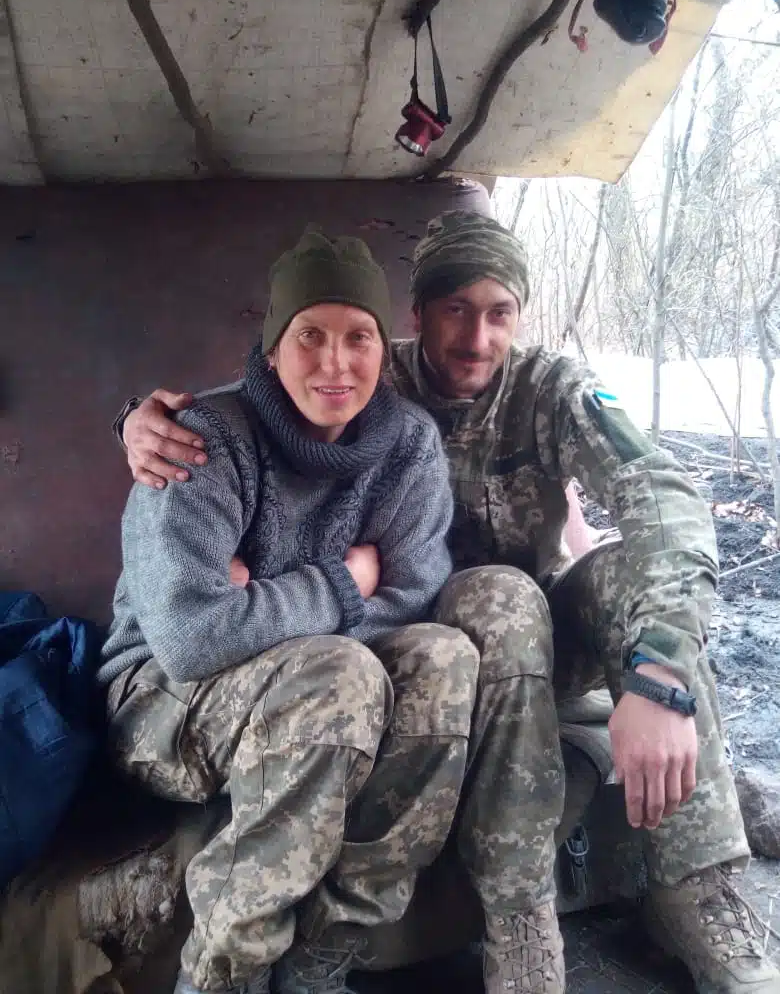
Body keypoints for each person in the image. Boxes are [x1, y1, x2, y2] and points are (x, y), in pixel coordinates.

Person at [117, 211, 780, 994]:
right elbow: (238, 417)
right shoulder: (364, 379)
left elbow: (662, 497)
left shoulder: (539, 392)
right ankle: (517, 912)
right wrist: (135, 423)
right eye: (455, 309)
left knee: (636, 587)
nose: (476, 337)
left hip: (494, 640)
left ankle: (700, 887)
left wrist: (660, 670)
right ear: (418, 313)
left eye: (500, 312)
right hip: (398, 644)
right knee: (483, 608)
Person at [100, 227, 485, 994]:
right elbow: (192, 637)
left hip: (316, 689)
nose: (335, 362)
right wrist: (343, 583)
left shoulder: (408, 446)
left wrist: (256, 601)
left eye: (358, 336)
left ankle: (321, 960)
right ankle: (224, 975)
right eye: (310, 335)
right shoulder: (201, 441)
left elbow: (411, 599)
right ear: (273, 350)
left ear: (384, 349)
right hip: (159, 702)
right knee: (335, 672)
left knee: (445, 657)